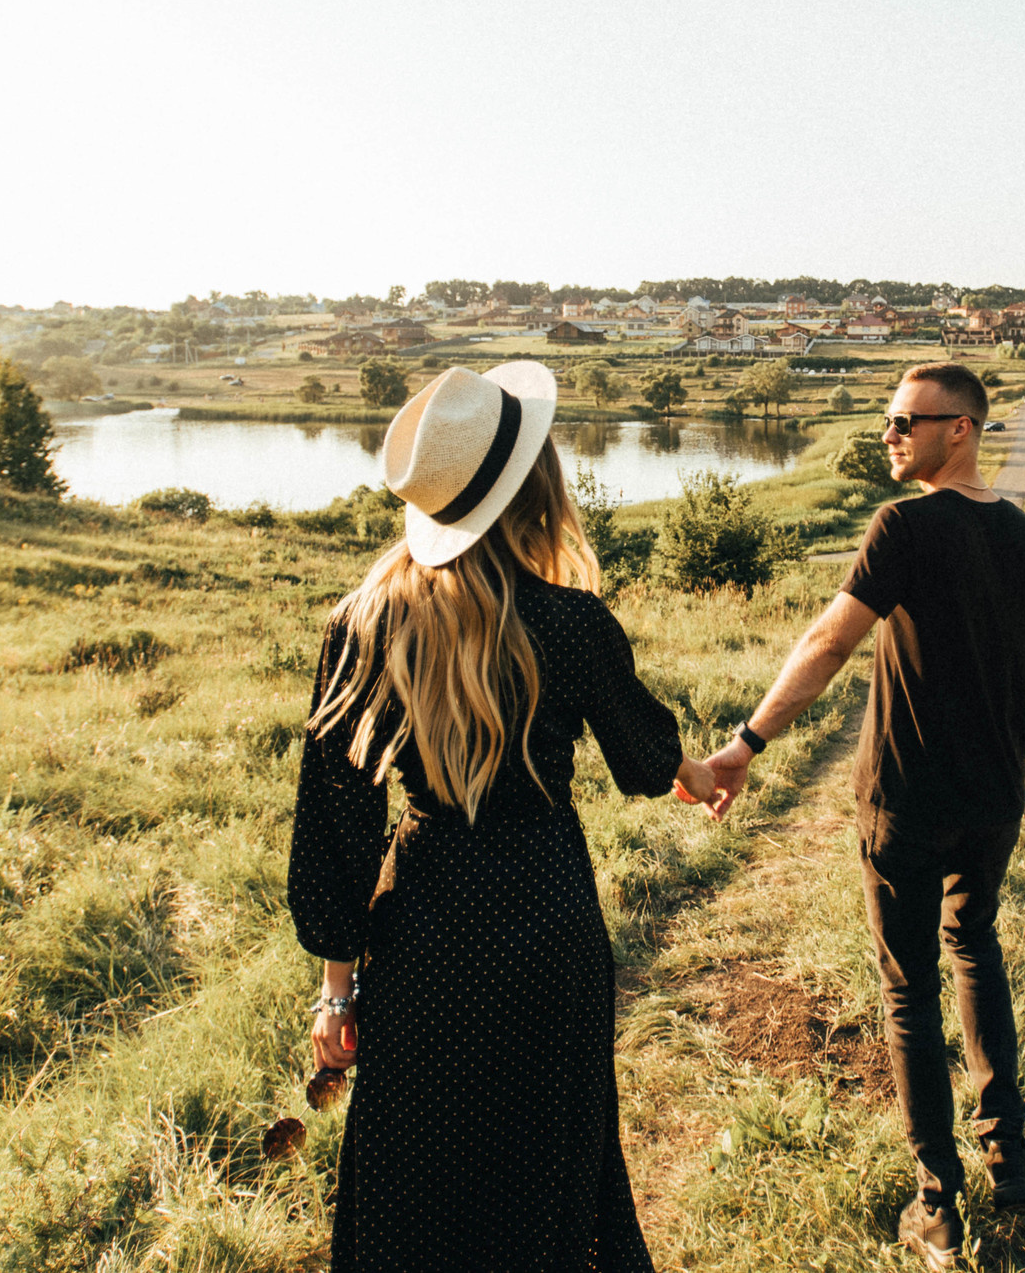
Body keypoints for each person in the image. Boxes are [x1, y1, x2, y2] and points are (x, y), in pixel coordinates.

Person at [289, 363, 716, 1273]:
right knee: (546, 1157)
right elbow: (649, 759)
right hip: (546, 921)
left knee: (417, 1161)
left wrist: (335, 991)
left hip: (425, 933)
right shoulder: (571, 621)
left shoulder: (362, 623)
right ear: (535, 484)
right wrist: (706, 771)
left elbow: (340, 828)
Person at [698, 362, 1025, 1267]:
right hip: (994, 800)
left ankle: (938, 1198)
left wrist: (745, 744)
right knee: (977, 950)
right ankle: (1010, 1156)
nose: (889, 434)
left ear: (960, 429)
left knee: (910, 989)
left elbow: (831, 640)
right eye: (888, 420)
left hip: (907, 799)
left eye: (904, 420)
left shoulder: (904, 525)